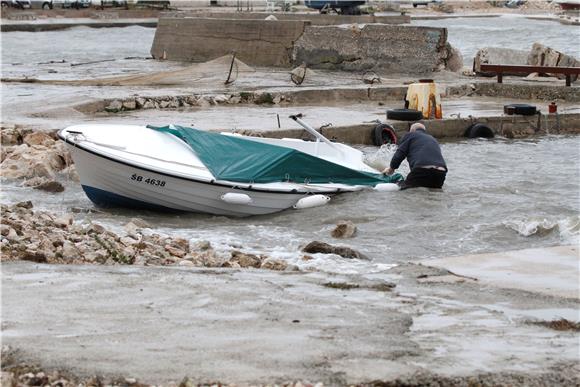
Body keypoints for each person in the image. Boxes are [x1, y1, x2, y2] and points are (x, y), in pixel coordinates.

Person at [382, 122, 447, 190]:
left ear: (412, 131)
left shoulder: (410, 135)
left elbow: (399, 154)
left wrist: (391, 169)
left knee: (403, 190)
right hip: (441, 173)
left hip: (422, 170)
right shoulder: (433, 139)